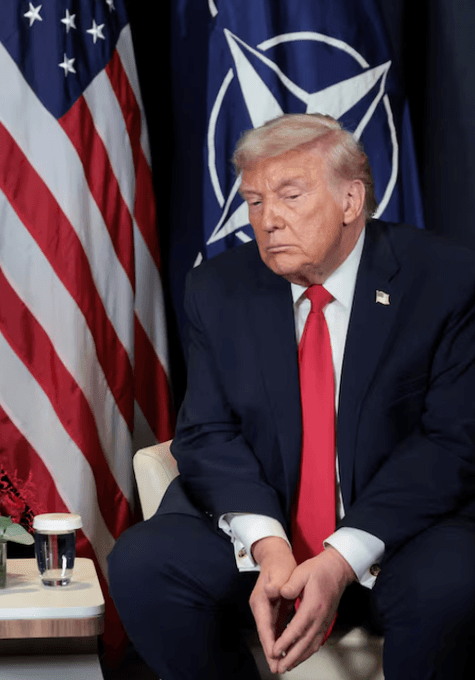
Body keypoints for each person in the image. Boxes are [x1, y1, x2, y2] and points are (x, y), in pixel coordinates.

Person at [108, 113, 475, 679]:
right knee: (143, 563)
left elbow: (450, 442)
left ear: (350, 200)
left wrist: (342, 557)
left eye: (289, 195)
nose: (268, 220)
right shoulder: (218, 288)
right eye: (254, 202)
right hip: (267, 528)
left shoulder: (444, 279)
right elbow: (206, 433)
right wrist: (267, 544)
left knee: (452, 584)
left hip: (400, 533)